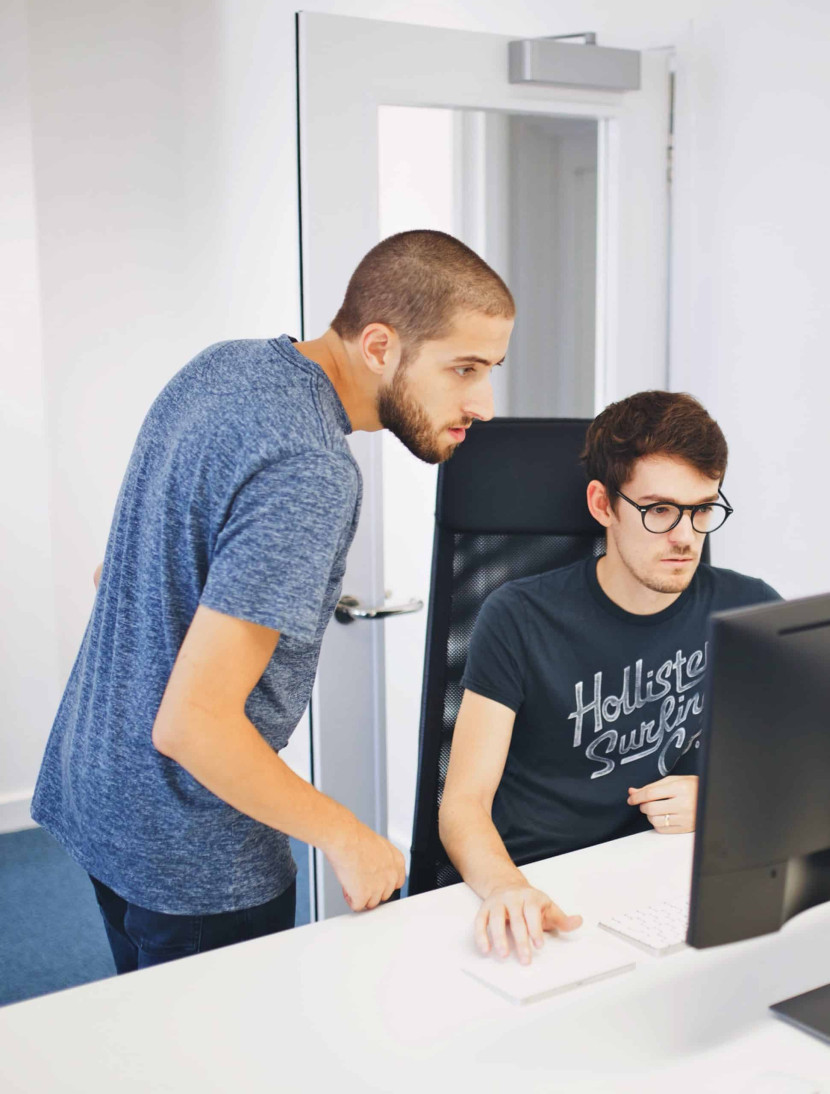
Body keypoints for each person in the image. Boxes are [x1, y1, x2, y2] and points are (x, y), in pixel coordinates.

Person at [32, 229, 515, 972]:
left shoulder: (223, 367)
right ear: (380, 346)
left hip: (96, 783)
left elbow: (117, 572)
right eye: (464, 368)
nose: (482, 403)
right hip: (191, 848)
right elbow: (192, 725)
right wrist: (348, 836)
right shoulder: (312, 469)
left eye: (491, 369)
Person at [438, 391, 780, 965]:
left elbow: (805, 765)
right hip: (542, 885)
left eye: (701, 509)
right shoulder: (518, 616)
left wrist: (727, 801)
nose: (685, 536)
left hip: (667, 882)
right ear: (603, 504)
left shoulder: (748, 609)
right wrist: (506, 887)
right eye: (660, 510)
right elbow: (462, 804)